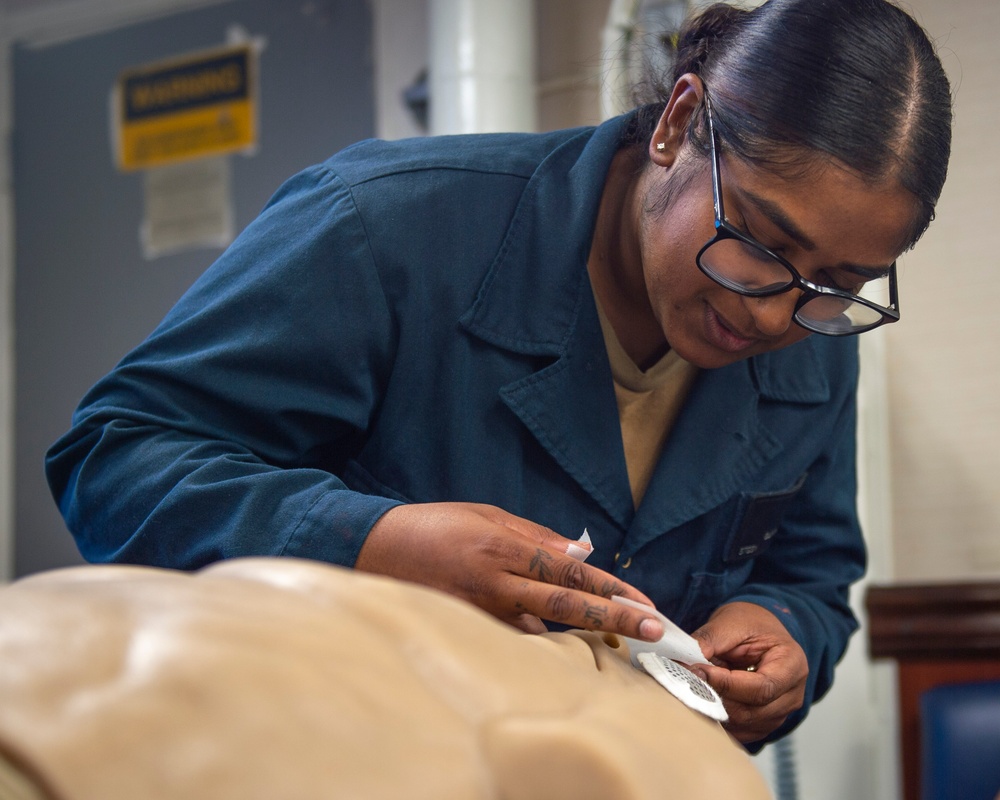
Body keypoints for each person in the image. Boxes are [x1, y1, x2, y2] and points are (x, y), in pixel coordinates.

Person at [46, 0, 952, 750]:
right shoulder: (386, 228)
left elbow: (814, 571)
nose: (772, 311)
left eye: (838, 283)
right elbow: (115, 457)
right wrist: (376, 543)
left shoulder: (814, 335)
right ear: (680, 124)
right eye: (757, 241)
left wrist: (789, 630)